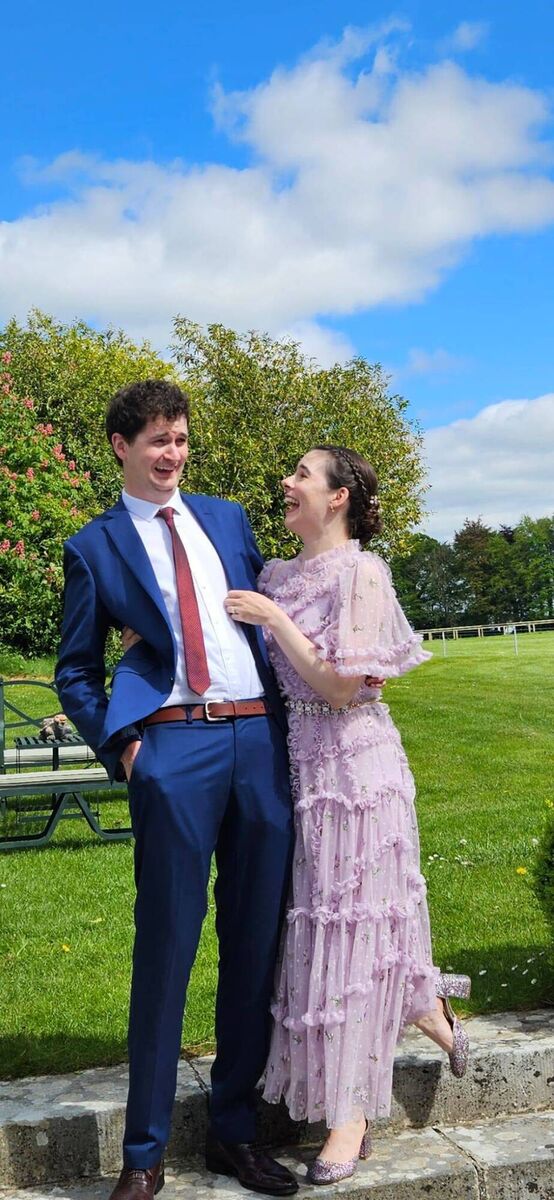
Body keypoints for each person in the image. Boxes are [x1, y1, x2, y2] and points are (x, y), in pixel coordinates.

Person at [55, 380, 299, 1200]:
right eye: (157, 440)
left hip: (259, 739)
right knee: (166, 946)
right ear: (121, 446)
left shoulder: (228, 520)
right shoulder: (93, 546)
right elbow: (75, 672)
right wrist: (125, 748)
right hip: (174, 748)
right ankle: (144, 1153)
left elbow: (278, 609)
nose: (172, 455)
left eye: (181, 438)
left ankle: (235, 1134)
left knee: (254, 944)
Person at [224, 445, 470, 1185]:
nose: (286, 482)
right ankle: (424, 1006)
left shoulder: (363, 573)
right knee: (320, 927)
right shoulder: (277, 573)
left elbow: (339, 686)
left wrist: (275, 620)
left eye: (301, 474)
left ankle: (351, 1116)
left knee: (353, 925)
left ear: (338, 499)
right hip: (296, 770)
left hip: (358, 771)